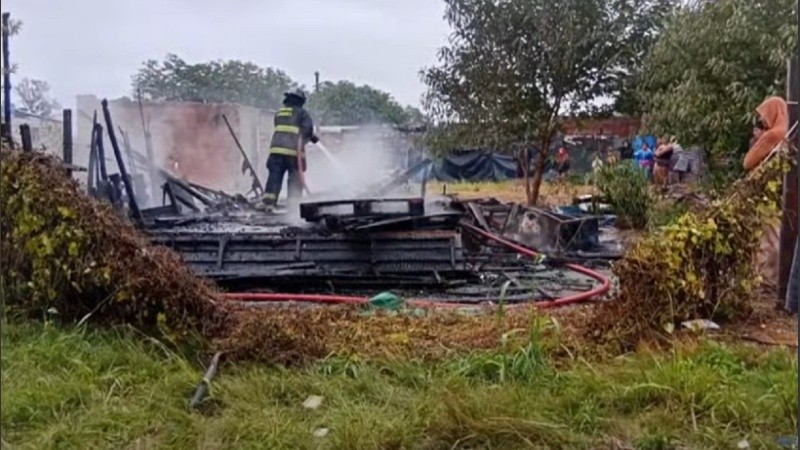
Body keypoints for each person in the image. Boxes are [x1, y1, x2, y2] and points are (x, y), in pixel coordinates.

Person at [742, 96, 790, 307]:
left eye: (763, 116)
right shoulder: (788, 134)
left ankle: (767, 281)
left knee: (767, 238)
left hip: (766, 195)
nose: (762, 121)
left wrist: (761, 140)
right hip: (780, 194)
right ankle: (773, 279)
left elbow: (748, 162)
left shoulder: (773, 135)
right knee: (775, 234)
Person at [262, 89, 319, 210]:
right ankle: (293, 206)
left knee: (274, 177)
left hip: (276, 152)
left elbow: (288, 127)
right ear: (300, 101)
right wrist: (312, 137)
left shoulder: (279, 113)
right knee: (295, 179)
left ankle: (268, 203)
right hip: (293, 154)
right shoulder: (302, 113)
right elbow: (306, 130)